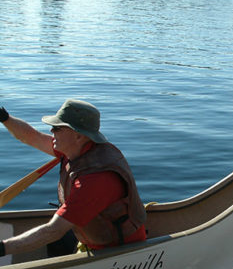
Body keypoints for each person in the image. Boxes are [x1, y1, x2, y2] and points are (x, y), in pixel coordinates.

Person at [0, 99, 147, 259]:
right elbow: (31, 137)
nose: (51, 130)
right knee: (57, 239)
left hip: (116, 254)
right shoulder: (74, 150)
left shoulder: (96, 179)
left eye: (57, 128)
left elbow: (53, 230)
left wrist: (2, 248)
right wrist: (4, 117)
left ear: (78, 136)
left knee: (54, 235)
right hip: (90, 240)